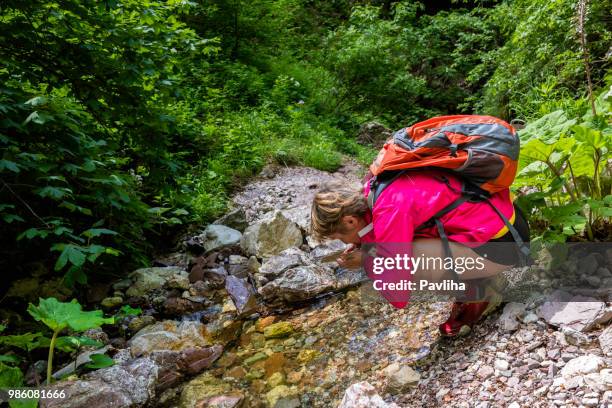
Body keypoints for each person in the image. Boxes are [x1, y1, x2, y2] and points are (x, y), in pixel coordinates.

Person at [310, 168, 530, 337]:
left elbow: (398, 295)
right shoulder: (375, 188)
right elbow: (382, 231)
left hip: (503, 246)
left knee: (405, 263)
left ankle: (482, 290)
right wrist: (364, 245)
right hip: (506, 224)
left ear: (350, 220)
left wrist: (367, 260)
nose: (343, 243)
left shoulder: (389, 209)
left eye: (340, 237)